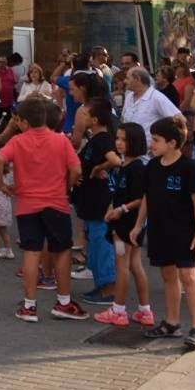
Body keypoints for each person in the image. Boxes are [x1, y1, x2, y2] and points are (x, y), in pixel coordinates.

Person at [0, 99, 88, 323]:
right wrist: (65, 187)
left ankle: (29, 306)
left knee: (31, 252)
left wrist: (1, 185)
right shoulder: (60, 140)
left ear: (24, 121)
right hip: (56, 203)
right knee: (62, 251)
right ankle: (64, 303)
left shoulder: (17, 141)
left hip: (27, 205)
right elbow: (76, 169)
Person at [130, 117, 195, 350]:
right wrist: (138, 224)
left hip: (184, 231)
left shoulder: (188, 167)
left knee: (188, 276)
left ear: (173, 143)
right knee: (168, 276)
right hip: (159, 230)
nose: (151, 144)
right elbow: (147, 198)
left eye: (156, 140)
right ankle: (172, 323)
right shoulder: (152, 167)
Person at [94, 123, 154, 327]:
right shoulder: (126, 166)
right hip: (130, 224)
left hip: (125, 227)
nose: (118, 143)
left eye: (123, 139)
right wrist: (112, 207)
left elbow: (140, 198)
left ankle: (118, 310)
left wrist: (120, 210)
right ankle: (145, 310)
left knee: (122, 265)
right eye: (117, 138)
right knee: (135, 264)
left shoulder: (135, 168)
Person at [74, 98, 121, 306]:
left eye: (85, 115)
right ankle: (101, 285)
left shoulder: (103, 140)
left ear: (94, 119)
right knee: (94, 242)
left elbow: (115, 160)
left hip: (99, 201)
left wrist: (98, 168)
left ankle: (109, 289)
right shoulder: (95, 139)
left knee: (102, 244)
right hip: (90, 201)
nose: (81, 117)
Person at [121, 66, 182, 133]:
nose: (124, 81)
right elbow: (123, 119)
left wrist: (164, 140)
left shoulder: (157, 97)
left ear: (137, 79)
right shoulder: (129, 97)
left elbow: (180, 120)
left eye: (127, 78)